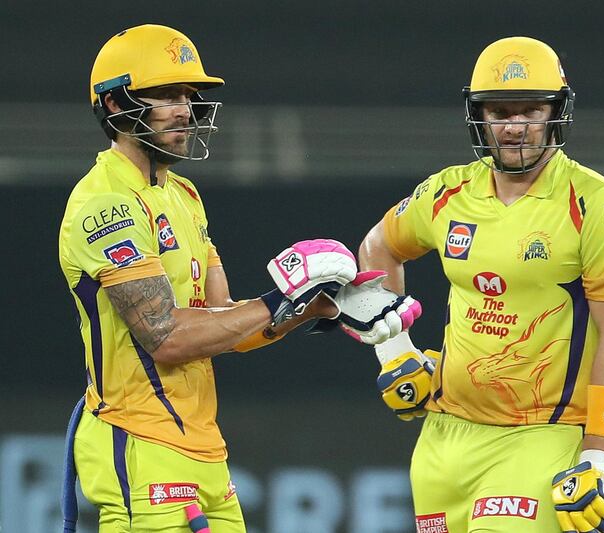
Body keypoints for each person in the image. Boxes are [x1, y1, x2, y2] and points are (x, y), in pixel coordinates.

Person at [58, 24, 418, 533]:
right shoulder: (104, 201)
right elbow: (166, 337)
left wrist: (311, 306)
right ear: (115, 105)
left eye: (188, 95)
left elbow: (224, 325)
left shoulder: (183, 195)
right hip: (139, 443)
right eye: (165, 95)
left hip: (202, 450)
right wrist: (278, 298)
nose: (185, 109)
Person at [359, 36, 604, 533]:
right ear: (479, 116)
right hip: (442, 440)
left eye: (531, 111)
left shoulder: (599, 206)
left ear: (557, 112)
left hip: (539, 437)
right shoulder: (446, 193)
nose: (515, 127)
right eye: (499, 111)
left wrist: (599, 459)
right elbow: (377, 250)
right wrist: (397, 352)